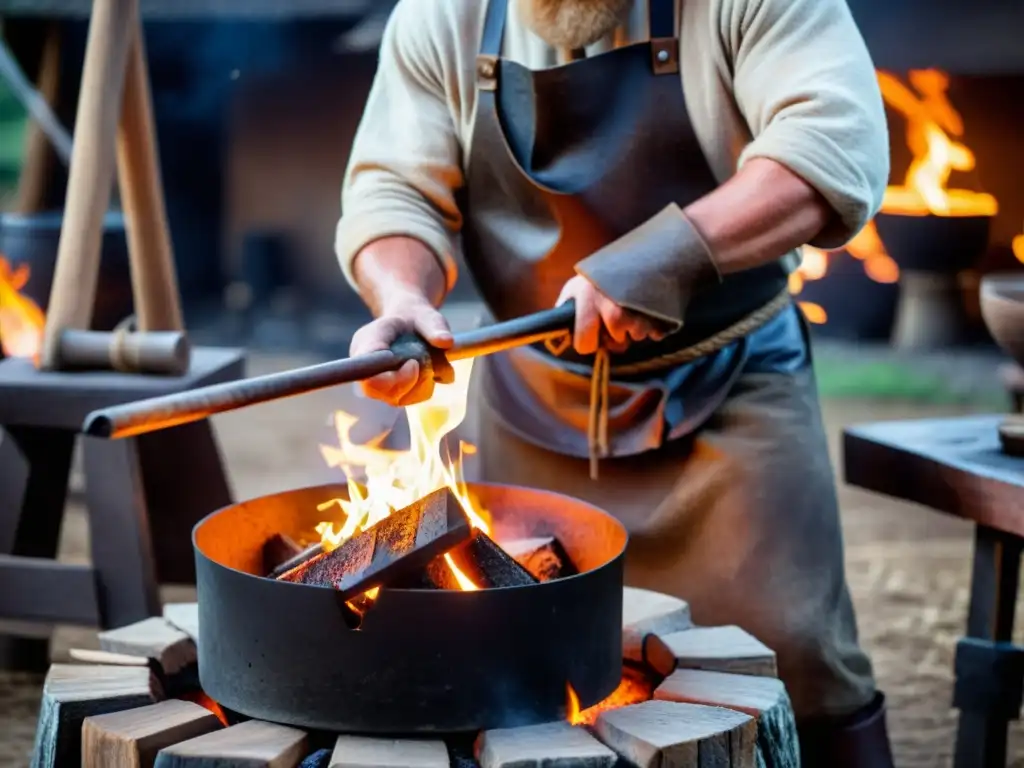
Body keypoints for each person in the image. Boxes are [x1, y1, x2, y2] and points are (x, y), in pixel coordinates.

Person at [335, 0, 894, 763]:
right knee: (526, 678)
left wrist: (668, 255)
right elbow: (394, 191)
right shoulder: (443, 15)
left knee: (794, 655)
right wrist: (402, 296)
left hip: (729, 397)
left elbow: (834, 146)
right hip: (531, 404)